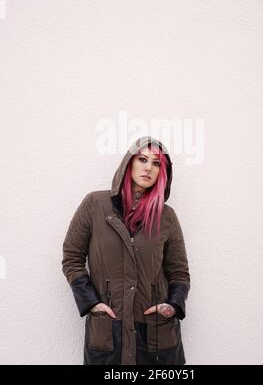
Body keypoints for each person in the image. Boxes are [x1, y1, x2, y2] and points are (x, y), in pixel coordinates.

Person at [62, 135, 190, 365]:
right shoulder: (94, 205)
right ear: (128, 163)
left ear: (162, 173)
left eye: (156, 163)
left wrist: (172, 305)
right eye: (142, 159)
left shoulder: (166, 217)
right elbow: (72, 258)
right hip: (108, 327)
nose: (148, 167)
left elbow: (179, 272)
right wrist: (91, 303)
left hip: (155, 332)